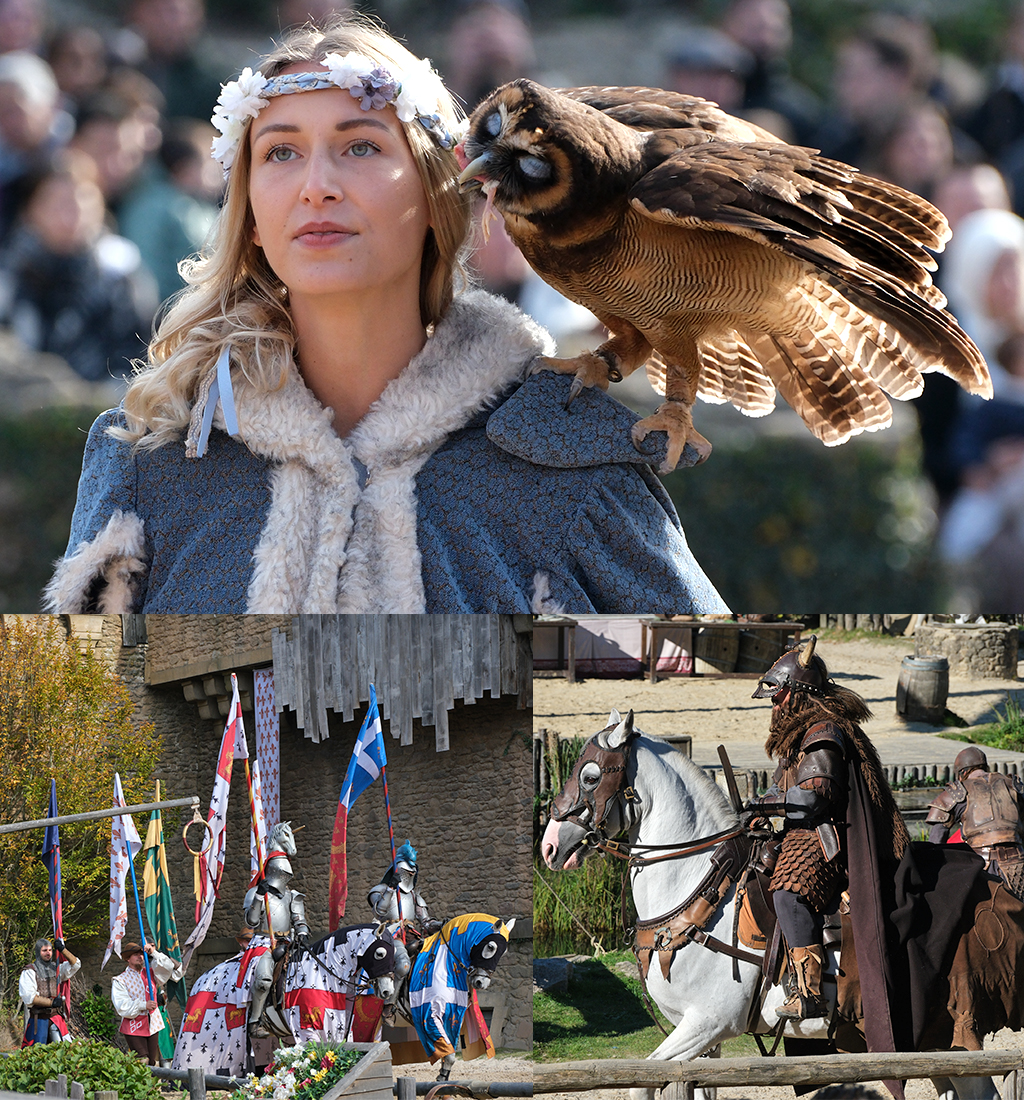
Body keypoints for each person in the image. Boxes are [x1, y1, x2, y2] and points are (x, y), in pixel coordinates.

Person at [44, 15, 727, 615]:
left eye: (361, 146)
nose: (316, 186)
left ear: (438, 193)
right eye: (280, 152)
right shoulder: (148, 459)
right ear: (250, 215)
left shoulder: (570, 463)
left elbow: (714, 695)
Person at [750, 636, 908, 1036]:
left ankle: (807, 992)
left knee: (788, 893)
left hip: (826, 838)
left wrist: (766, 806)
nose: (774, 705)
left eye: (778, 697)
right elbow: (781, 788)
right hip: (802, 832)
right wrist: (757, 809)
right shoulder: (797, 736)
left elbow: (813, 797)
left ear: (797, 694)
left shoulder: (823, 732)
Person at [926, 745, 1024, 896]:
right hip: (1018, 868)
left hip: (981, 870)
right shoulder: (1013, 785)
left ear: (962, 773)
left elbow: (934, 844)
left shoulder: (957, 792)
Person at [111, 940, 180, 1065]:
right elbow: (121, 1005)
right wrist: (144, 1005)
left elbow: (169, 967)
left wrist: (154, 952)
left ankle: (152, 1079)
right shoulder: (120, 980)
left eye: (141, 954)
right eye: (135, 954)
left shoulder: (152, 973)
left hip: (152, 1022)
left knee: (152, 1062)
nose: (140, 956)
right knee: (142, 1061)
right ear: (128, 959)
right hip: (133, 1024)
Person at [19, 937, 80, 1046]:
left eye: (50, 950)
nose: (48, 953)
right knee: (37, 1052)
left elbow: (75, 964)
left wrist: (63, 950)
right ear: (38, 952)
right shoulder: (29, 971)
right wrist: (52, 1003)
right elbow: (29, 997)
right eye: (44, 950)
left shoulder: (56, 969)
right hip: (39, 1019)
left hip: (56, 1018)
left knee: (63, 1050)